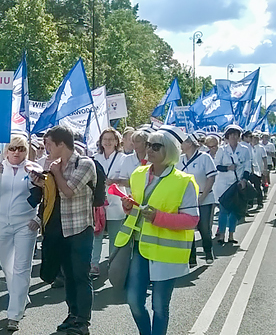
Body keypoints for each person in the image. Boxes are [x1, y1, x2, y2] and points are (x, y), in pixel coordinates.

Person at [115, 125, 199, 335]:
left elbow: (192, 220)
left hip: (166, 253)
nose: (149, 149)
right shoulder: (138, 174)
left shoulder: (183, 181)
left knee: (159, 307)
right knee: (134, 301)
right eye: (148, 145)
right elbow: (137, 208)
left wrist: (158, 218)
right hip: (139, 248)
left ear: (169, 150)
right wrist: (128, 207)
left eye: (156, 146)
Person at [30, 125, 96, 335]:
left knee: (80, 275)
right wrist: (42, 183)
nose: (45, 148)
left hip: (79, 228)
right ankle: (72, 315)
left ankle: (83, 322)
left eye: (49, 144)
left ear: (61, 144)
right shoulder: (55, 165)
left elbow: (68, 191)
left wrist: (56, 173)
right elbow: (54, 196)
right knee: (68, 275)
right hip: (60, 229)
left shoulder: (85, 163)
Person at [0, 131, 42, 332]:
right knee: (7, 266)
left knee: (21, 267)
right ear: (6, 151)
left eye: (21, 148)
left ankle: (14, 314)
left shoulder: (34, 169)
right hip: (2, 224)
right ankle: (21, 295)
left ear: (26, 150)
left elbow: (46, 195)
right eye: (12, 148)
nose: (16, 152)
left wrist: (38, 218)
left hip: (26, 224)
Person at [176, 133, 217, 266]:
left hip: (204, 197)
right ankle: (191, 257)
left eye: (182, 142)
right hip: (186, 200)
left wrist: (202, 196)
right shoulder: (179, 160)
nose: (180, 145)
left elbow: (211, 178)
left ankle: (208, 250)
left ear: (189, 143)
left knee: (204, 227)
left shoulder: (205, 158)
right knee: (188, 228)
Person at [90, 128, 125, 277]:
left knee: (115, 235)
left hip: (117, 201)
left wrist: (115, 181)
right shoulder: (94, 158)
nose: (108, 142)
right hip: (99, 201)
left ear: (117, 141)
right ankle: (94, 264)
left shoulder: (123, 158)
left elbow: (129, 179)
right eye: (105, 139)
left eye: (111, 139)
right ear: (101, 141)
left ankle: (113, 264)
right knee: (96, 234)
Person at [214, 125, 250, 245]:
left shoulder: (245, 149)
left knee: (235, 210)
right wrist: (228, 167)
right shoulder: (222, 150)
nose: (234, 137)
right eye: (231, 135)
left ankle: (231, 235)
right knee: (224, 210)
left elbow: (247, 166)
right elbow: (217, 165)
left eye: (236, 134)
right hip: (224, 184)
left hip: (237, 184)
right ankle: (221, 235)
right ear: (227, 137)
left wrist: (244, 180)